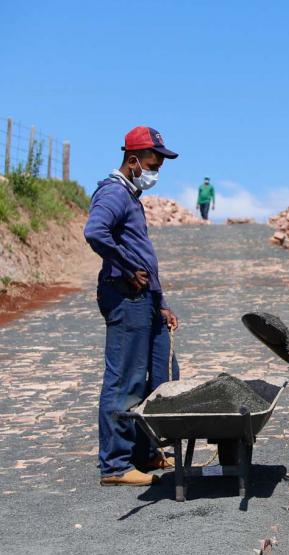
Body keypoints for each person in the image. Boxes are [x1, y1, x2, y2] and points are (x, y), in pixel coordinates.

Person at [84, 126, 181, 487]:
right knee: (126, 379)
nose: (156, 172)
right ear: (133, 160)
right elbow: (95, 232)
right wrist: (126, 267)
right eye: (153, 165)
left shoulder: (131, 196)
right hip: (125, 297)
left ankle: (146, 452)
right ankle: (116, 464)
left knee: (161, 374)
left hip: (146, 300)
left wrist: (161, 302)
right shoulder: (113, 193)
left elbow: (144, 257)